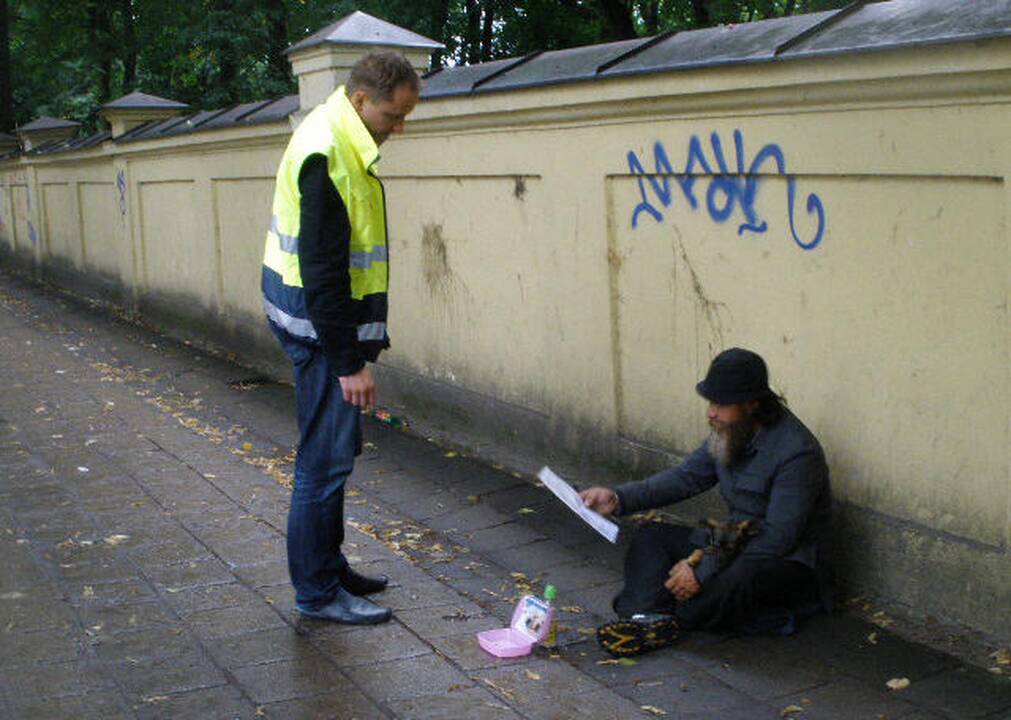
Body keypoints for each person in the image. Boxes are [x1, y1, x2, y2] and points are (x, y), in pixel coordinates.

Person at [260, 52, 421, 624]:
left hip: (312, 322)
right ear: (361, 100)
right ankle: (318, 592)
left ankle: (329, 567)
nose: (398, 128)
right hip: (319, 330)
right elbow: (325, 271)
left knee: (332, 458)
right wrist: (349, 363)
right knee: (323, 465)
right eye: (393, 115)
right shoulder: (328, 154)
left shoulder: (337, 133)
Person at [581, 348, 832, 656]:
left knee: (738, 578)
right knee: (651, 537)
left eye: (721, 404)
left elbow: (776, 538)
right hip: (726, 543)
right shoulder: (729, 431)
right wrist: (618, 497)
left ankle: (664, 617)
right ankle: (646, 619)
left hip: (781, 562)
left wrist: (701, 567)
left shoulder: (797, 453)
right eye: (711, 402)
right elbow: (686, 478)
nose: (711, 412)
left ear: (752, 403)